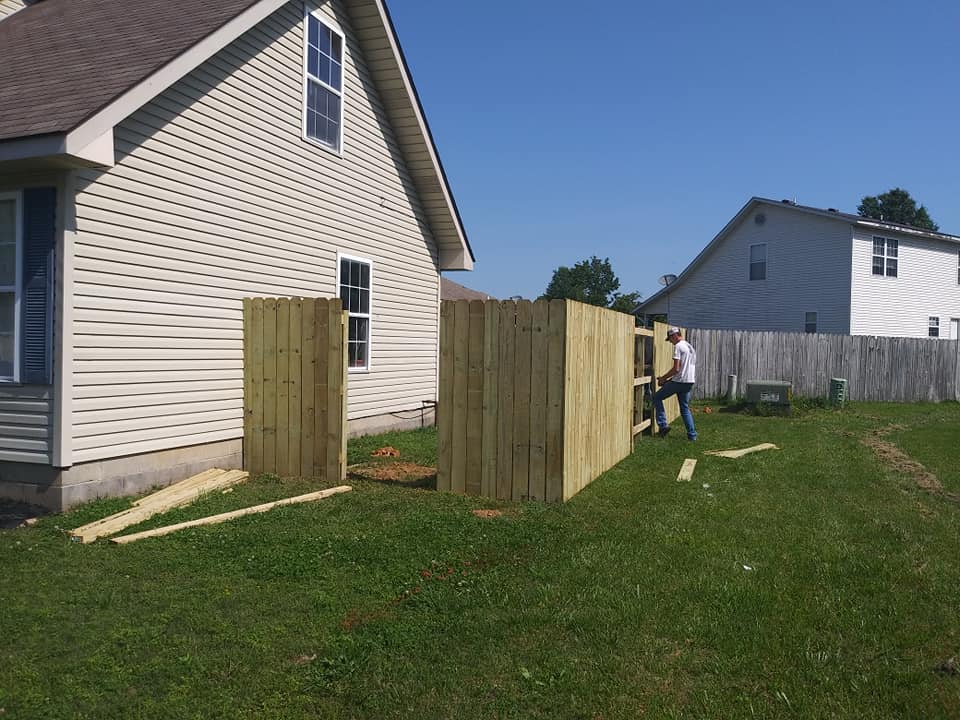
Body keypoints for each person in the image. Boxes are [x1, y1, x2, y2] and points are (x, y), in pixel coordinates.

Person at [654, 327, 697, 441]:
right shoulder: (689, 347)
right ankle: (692, 436)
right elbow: (684, 370)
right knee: (685, 408)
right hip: (688, 381)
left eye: (670, 339)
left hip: (680, 381)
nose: (671, 342)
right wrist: (668, 381)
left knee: (657, 397)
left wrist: (663, 378)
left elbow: (676, 369)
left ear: (674, 336)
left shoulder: (678, 346)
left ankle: (663, 426)